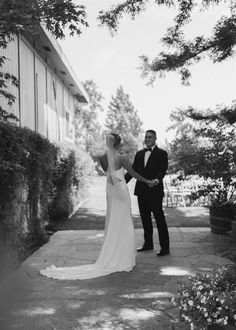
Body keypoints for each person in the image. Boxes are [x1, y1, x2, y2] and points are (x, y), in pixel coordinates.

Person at [40, 133, 154, 280]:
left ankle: (111, 254)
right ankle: (123, 258)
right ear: (118, 144)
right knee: (124, 223)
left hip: (111, 190)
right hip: (120, 190)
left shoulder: (102, 158)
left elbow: (109, 175)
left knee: (113, 221)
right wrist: (148, 181)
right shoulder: (122, 158)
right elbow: (134, 174)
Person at [125, 129, 170, 256]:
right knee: (145, 220)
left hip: (155, 191)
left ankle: (165, 248)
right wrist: (121, 181)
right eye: (146, 137)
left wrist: (156, 180)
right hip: (141, 192)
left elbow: (162, 170)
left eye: (150, 137)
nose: (147, 139)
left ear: (155, 138)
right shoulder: (139, 154)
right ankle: (148, 244)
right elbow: (133, 171)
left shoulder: (162, 153)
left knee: (159, 220)